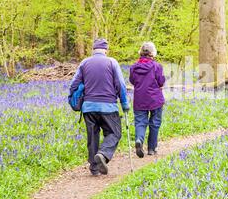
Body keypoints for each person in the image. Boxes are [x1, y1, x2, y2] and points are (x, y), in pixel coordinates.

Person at [69, 38, 129, 176]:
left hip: (89, 107)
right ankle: (103, 154)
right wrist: (124, 103)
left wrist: (73, 97)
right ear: (106, 50)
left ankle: (94, 168)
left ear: (93, 49)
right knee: (114, 133)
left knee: (92, 136)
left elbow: (74, 84)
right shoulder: (112, 62)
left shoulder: (84, 62)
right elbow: (120, 84)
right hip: (108, 106)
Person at [129, 42, 165, 157]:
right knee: (155, 123)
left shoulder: (134, 67)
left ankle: (139, 140)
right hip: (155, 99)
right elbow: (161, 81)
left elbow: (132, 81)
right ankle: (151, 148)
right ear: (153, 53)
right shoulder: (156, 66)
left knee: (140, 122)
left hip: (140, 99)